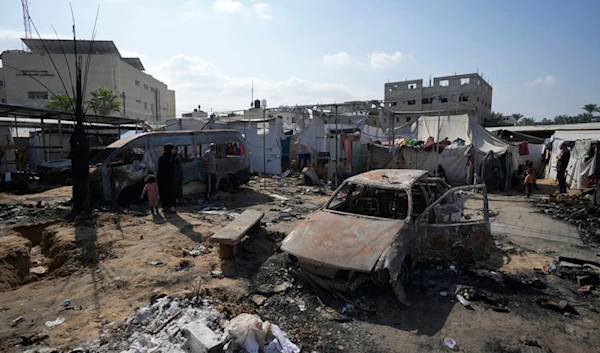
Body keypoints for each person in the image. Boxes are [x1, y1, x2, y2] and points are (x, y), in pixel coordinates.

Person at [157, 143, 176, 213]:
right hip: (167, 178)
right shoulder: (170, 158)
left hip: (163, 178)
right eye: (173, 149)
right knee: (169, 192)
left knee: (165, 192)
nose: (174, 151)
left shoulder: (163, 158)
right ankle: (170, 206)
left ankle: (166, 206)